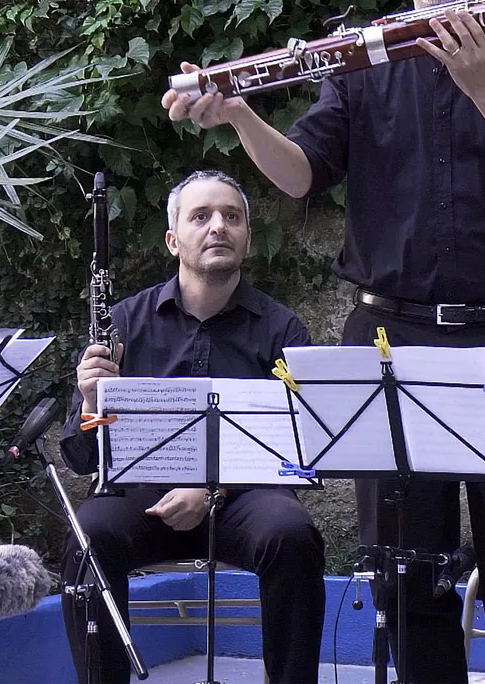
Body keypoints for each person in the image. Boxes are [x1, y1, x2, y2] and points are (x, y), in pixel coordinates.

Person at [164, 0, 485, 683]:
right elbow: (300, 176)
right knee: (407, 571)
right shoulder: (362, 63)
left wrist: (480, 82)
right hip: (393, 341)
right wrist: (242, 114)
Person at [60, 170, 325, 684]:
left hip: (242, 497)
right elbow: (81, 458)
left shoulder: (282, 329)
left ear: (247, 236)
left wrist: (210, 490)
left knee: (291, 535)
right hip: (144, 497)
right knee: (88, 536)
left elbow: (295, 448)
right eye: (200, 216)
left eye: (232, 216)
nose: (218, 227)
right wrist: (92, 401)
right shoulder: (124, 322)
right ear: (173, 239)